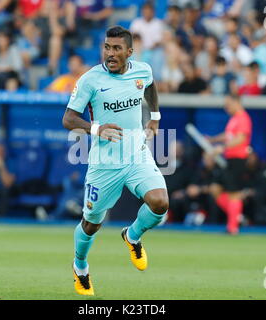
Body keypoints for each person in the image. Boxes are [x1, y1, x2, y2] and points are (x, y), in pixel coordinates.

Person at [62, 26, 168, 296]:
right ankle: (80, 266)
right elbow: (68, 119)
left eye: (116, 48)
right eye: (107, 47)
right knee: (91, 223)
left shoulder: (142, 71)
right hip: (104, 163)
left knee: (160, 203)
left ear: (129, 52)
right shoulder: (90, 80)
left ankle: (132, 236)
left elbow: (151, 87)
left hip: (136, 154)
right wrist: (96, 129)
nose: (110, 53)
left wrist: (154, 119)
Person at [207, 93, 252, 235]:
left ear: (236, 102)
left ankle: (233, 227)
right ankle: (237, 215)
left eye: (228, 104)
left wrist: (223, 147)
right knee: (215, 188)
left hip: (238, 159)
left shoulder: (243, 118)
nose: (226, 107)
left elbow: (240, 139)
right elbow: (228, 136)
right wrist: (213, 140)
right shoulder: (234, 119)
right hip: (228, 160)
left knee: (234, 193)